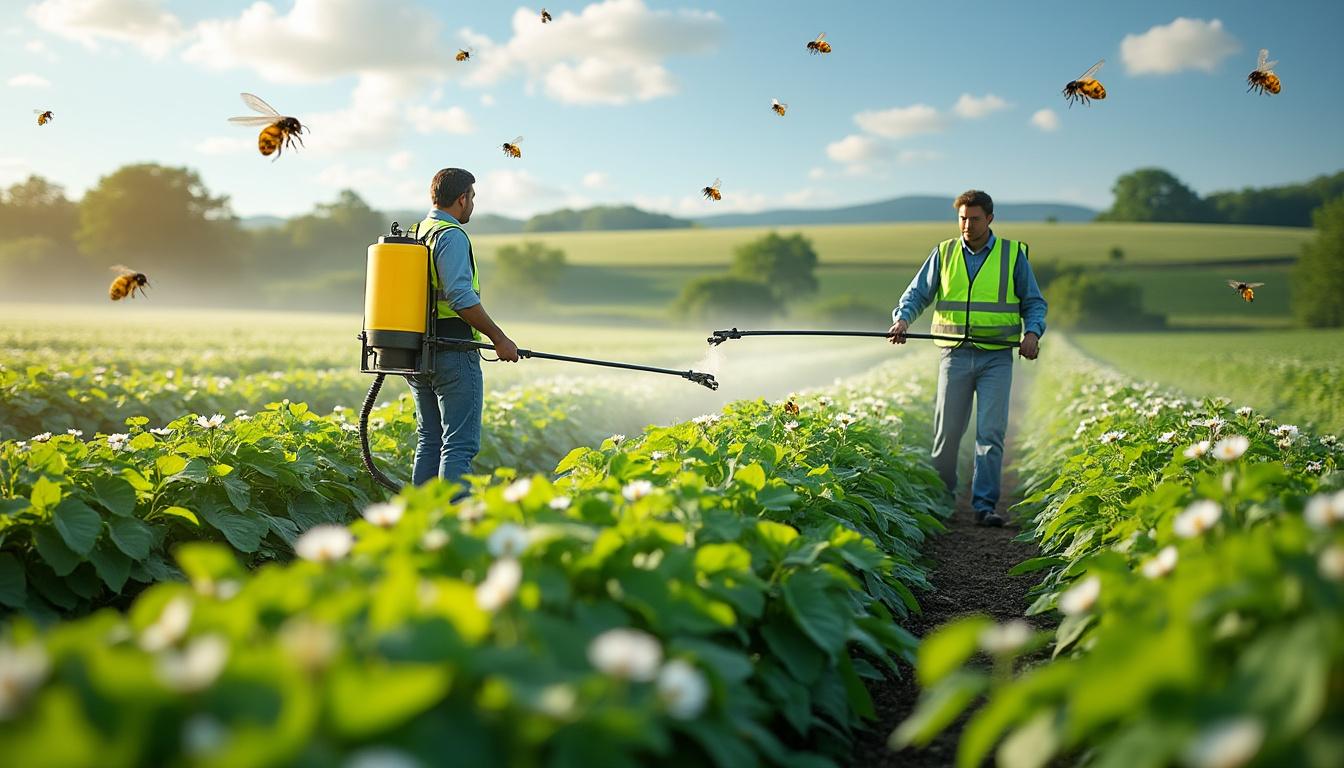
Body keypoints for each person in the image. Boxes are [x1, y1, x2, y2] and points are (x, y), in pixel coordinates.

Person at [888, 190, 1047, 526]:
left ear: (989, 218)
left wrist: (1032, 333)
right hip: (954, 355)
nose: (967, 225)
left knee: (990, 433)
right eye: (962, 218)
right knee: (946, 433)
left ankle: (985, 506)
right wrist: (903, 319)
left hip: (997, 358)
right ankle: (942, 499)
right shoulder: (943, 253)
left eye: (974, 218)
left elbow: (1034, 302)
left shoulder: (1011, 255)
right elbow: (918, 294)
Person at [407, 167, 520, 495]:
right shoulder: (450, 235)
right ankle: (454, 527)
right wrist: (499, 338)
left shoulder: (419, 231)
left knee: (429, 441)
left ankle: (423, 525)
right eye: (472, 197)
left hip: (416, 351)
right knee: (458, 446)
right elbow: (459, 296)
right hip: (453, 352)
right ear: (462, 198)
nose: (472, 204)